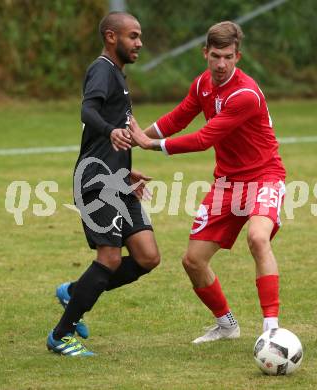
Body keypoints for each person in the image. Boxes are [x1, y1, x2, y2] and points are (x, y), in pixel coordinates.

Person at [129, 21, 286, 344]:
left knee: (258, 238)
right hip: (227, 183)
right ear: (205, 53)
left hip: (263, 177)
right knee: (193, 261)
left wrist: (150, 145)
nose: (221, 64)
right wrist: (139, 136)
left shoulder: (245, 94)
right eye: (215, 56)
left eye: (228, 56)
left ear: (237, 57)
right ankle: (227, 325)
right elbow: (178, 117)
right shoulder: (202, 84)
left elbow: (203, 139)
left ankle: (272, 330)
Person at [46, 12, 160, 356]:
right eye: (133, 36)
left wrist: (126, 172)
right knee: (109, 257)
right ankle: (61, 335)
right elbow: (87, 112)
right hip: (95, 182)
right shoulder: (101, 70)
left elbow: (113, 140)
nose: (139, 43)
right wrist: (110, 130)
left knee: (147, 256)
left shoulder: (118, 76)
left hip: (116, 180)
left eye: (139, 36)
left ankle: (74, 290)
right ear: (112, 37)